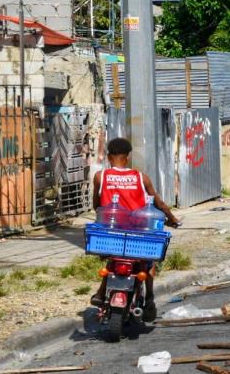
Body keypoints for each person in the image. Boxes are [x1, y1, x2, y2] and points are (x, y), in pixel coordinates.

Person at [90, 137, 180, 321]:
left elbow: (96, 205)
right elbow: (159, 203)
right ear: (128, 157)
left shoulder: (100, 177)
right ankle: (149, 298)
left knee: (114, 258)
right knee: (148, 263)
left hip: (110, 232)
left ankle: (100, 293)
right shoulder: (141, 177)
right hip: (138, 234)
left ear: (108, 157)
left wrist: (106, 214)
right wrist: (173, 219)